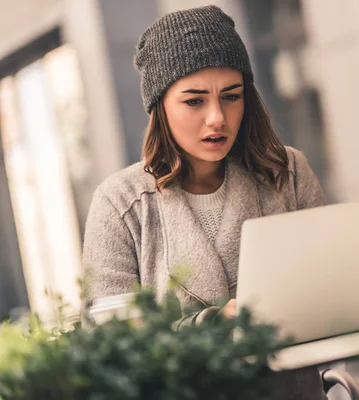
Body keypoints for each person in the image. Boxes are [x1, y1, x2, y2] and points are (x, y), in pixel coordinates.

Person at [82, 5, 327, 399]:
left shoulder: (288, 171)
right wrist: (211, 325)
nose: (217, 118)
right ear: (160, 106)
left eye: (232, 96)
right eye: (194, 101)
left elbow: (332, 286)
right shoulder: (120, 202)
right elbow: (114, 346)